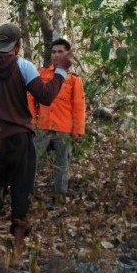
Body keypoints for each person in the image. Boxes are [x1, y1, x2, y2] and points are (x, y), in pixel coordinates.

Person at [0, 23, 71, 269]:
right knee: (21, 193)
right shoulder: (23, 66)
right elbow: (45, 96)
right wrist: (61, 72)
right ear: (18, 45)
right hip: (21, 139)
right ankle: (16, 254)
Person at [29, 38, 86, 207]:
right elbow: (31, 98)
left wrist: (77, 131)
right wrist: (31, 120)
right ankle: (27, 195)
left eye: (60, 52)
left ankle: (59, 198)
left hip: (64, 127)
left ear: (68, 54)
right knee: (32, 160)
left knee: (62, 163)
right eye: (54, 52)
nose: (56, 55)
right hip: (42, 126)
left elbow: (79, 106)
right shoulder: (41, 74)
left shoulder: (74, 79)